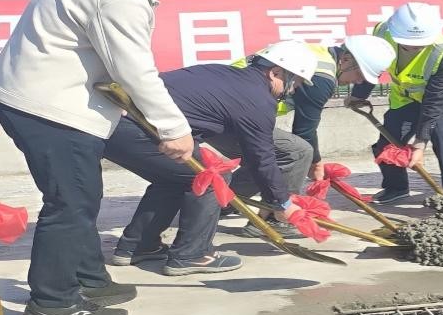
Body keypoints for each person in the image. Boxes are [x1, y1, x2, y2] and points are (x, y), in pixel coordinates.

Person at [0, 0, 215, 315]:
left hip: (41, 99)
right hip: (50, 109)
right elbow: (133, 69)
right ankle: (52, 303)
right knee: (70, 204)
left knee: (82, 198)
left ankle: (89, 280)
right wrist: (174, 129)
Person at [105, 41, 320, 271]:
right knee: (211, 178)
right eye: (295, 82)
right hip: (139, 127)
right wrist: (282, 203)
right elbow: (262, 158)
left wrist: (277, 199)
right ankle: (192, 255)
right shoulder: (258, 99)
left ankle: (138, 247)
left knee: (173, 178)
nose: (293, 90)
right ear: (275, 72)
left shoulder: (221, 73)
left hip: (114, 126)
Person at [221, 34, 397, 224]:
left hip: (229, 107)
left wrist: (315, 163)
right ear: (346, 60)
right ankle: (278, 219)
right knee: (297, 153)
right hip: (232, 113)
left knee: (270, 158)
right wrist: (316, 164)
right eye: (360, 75)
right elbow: (304, 131)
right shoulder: (321, 77)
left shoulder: (319, 55)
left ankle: (218, 204)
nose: (359, 82)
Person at [351, 3, 443, 200]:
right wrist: (358, 95)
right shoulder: (382, 33)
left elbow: (436, 101)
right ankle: (396, 188)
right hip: (408, 97)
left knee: (442, 132)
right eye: (407, 43)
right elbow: (372, 65)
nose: (414, 47)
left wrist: (420, 142)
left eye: (420, 43)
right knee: (389, 138)